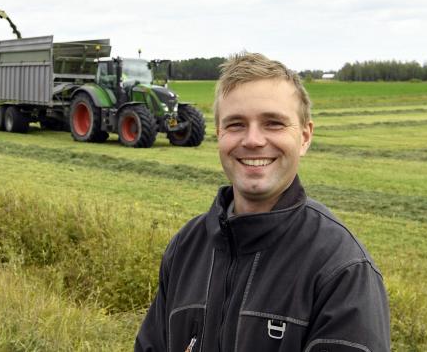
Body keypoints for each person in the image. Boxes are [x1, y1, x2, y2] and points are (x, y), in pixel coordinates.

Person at [135, 53, 390, 352]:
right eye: (236, 125)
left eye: (273, 123)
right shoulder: (186, 248)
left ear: (305, 137)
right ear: (219, 134)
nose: (253, 140)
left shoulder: (342, 269)